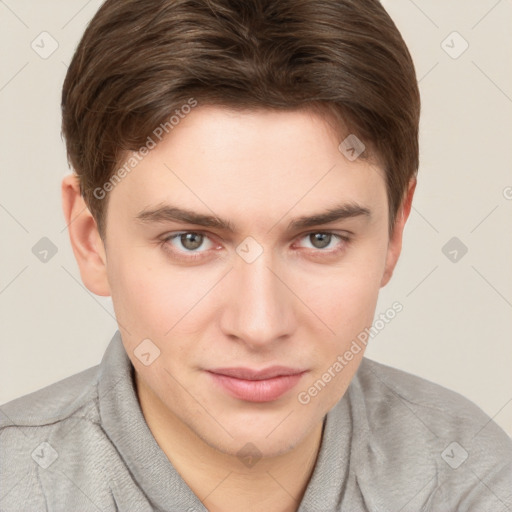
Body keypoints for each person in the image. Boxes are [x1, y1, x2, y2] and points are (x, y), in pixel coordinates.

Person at [1, 0, 511, 510]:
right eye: (191, 240)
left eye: (320, 239)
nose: (260, 325)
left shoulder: (475, 478)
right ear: (92, 240)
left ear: (395, 233)